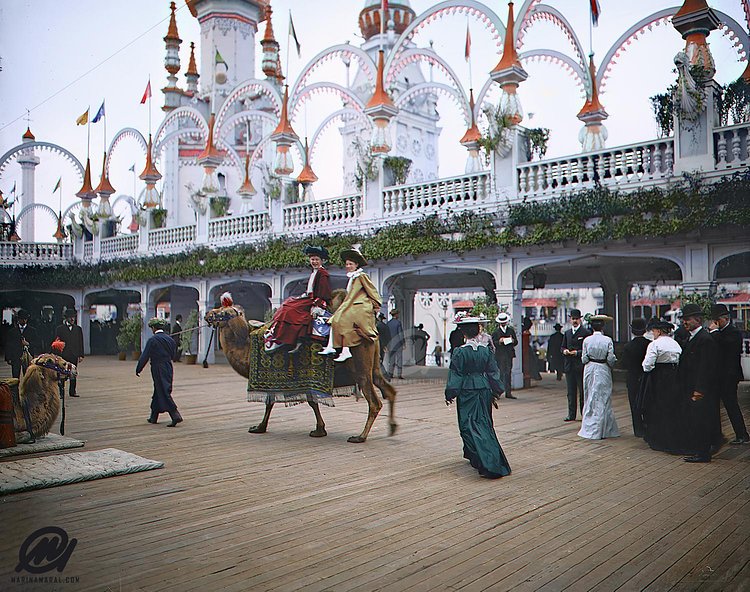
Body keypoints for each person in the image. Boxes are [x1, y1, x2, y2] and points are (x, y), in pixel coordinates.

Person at [445, 313, 511, 479]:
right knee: (484, 424)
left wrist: (450, 392)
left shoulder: (460, 352)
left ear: (463, 333)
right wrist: (496, 390)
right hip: (484, 390)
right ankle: (485, 460)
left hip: (468, 391)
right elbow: (493, 372)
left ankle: (486, 463)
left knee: (468, 426)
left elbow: (456, 374)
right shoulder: (485, 351)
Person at [266, 245, 332, 354]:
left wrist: (318, 305)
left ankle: (293, 340)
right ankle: (279, 337)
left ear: (322, 261)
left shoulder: (323, 273)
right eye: (312, 259)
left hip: (314, 301)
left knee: (289, 310)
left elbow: (324, 292)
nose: (314, 262)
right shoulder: (314, 272)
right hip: (308, 297)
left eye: (316, 259)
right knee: (287, 304)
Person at [320, 247, 381, 363]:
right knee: (336, 319)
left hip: (361, 306)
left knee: (342, 319)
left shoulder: (361, 276)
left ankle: (345, 349)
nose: (347, 266)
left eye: (350, 264)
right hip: (353, 305)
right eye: (347, 264)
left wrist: (377, 305)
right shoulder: (352, 277)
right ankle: (333, 346)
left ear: (356, 265)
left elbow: (372, 291)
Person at [678, 303, 719, 463]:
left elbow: (706, 367)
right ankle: (698, 450)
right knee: (694, 420)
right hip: (690, 387)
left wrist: (699, 389)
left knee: (701, 421)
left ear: (698, 319)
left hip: (699, 389)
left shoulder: (704, 339)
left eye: (687, 319)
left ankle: (702, 453)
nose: (684, 322)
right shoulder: (693, 337)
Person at [640, 317, 685, 454]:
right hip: (674, 377)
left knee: (656, 407)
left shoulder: (655, 344)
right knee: (671, 407)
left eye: (653, 331)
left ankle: (658, 439)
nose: (653, 333)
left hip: (658, 377)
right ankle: (672, 438)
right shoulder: (675, 344)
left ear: (658, 331)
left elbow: (647, 365)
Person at [709, 303, 749, 445]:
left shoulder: (732, 333)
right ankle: (719, 434)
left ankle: (742, 434)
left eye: (717, 320)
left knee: (731, 405)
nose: (715, 323)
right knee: (717, 405)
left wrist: (714, 332)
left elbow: (725, 347)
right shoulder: (721, 333)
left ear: (724, 319)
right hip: (719, 375)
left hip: (729, 376)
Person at [578, 315, 619, 440]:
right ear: (602, 327)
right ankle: (605, 429)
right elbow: (611, 359)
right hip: (603, 369)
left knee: (590, 396)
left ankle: (590, 428)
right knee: (604, 397)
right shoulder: (607, 340)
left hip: (590, 368)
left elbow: (584, 358)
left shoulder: (586, 340)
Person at [137, 317, 183, 427]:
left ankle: (175, 415)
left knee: (163, 389)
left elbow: (145, 356)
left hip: (158, 367)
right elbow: (173, 354)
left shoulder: (152, 340)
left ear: (153, 328)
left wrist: (139, 368)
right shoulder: (170, 339)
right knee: (159, 390)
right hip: (168, 365)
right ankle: (154, 416)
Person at [619, 317, 650, 437]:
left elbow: (623, 364)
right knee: (647, 402)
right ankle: (648, 426)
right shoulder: (649, 344)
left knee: (634, 403)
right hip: (646, 378)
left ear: (632, 330)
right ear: (645, 329)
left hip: (632, 378)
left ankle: (638, 430)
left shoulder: (628, 346)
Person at [561, 309, 591, 421]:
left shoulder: (585, 333)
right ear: (570, 319)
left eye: (577, 319)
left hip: (580, 366)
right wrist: (564, 351)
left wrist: (577, 353)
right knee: (570, 392)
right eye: (573, 319)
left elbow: (588, 349)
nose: (575, 321)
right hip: (569, 366)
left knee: (583, 392)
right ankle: (571, 414)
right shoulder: (567, 333)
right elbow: (562, 347)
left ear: (580, 319)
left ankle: (584, 414)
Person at [54, 308, 84, 397]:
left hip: (74, 354)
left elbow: (80, 342)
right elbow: (56, 341)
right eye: (70, 317)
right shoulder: (60, 329)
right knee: (62, 373)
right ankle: (61, 391)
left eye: (73, 317)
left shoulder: (78, 329)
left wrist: (81, 355)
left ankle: (72, 391)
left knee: (73, 373)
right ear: (66, 318)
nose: (72, 319)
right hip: (63, 354)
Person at [4, 309, 41, 379]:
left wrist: (28, 344)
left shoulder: (32, 330)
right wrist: (8, 358)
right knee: (15, 376)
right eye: (22, 319)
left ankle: (26, 390)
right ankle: (15, 390)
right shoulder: (12, 332)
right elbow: (8, 345)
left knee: (27, 376)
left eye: (25, 319)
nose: (24, 321)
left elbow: (37, 343)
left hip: (28, 357)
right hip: (15, 356)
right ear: (18, 319)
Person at [491, 312, 518, 399]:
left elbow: (516, 342)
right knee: (500, 373)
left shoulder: (510, 330)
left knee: (508, 373)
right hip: (500, 354)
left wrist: (512, 341)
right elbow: (493, 343)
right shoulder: (496, 332)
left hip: (509, 354)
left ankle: (508, 392)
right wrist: (499, 341)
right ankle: (498, 392)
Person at [386, 309, 405, 379]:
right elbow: (400, 334)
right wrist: (403, 342)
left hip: (391, 343)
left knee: (391, 359)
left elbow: (387, 335)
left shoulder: (388, 323)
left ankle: (390, 373)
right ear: (396, 314)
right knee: (399, 359)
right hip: (398, 343)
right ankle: (399, 374)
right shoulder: (398, 323)